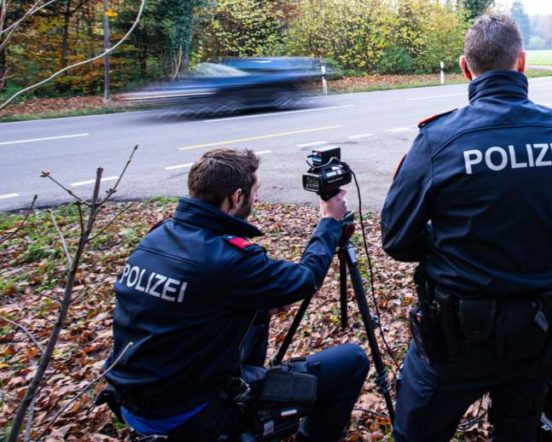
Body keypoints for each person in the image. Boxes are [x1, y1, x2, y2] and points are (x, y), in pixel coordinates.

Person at [381, 13, 552, 441]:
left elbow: (397, 238)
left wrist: (454, 242)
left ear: (466, 67)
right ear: (521, 62)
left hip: (456, 338)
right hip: (536, 330)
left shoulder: (438, 139)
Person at [104, 148, 370, 441]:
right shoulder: (228, 258)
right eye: (255, 191)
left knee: (256, 311)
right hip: (190, 413)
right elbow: (304, 280)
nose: (257, 198)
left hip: (133, 397)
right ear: (236, 196)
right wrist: (330, 222)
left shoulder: (157, 237)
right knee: (352, 361)